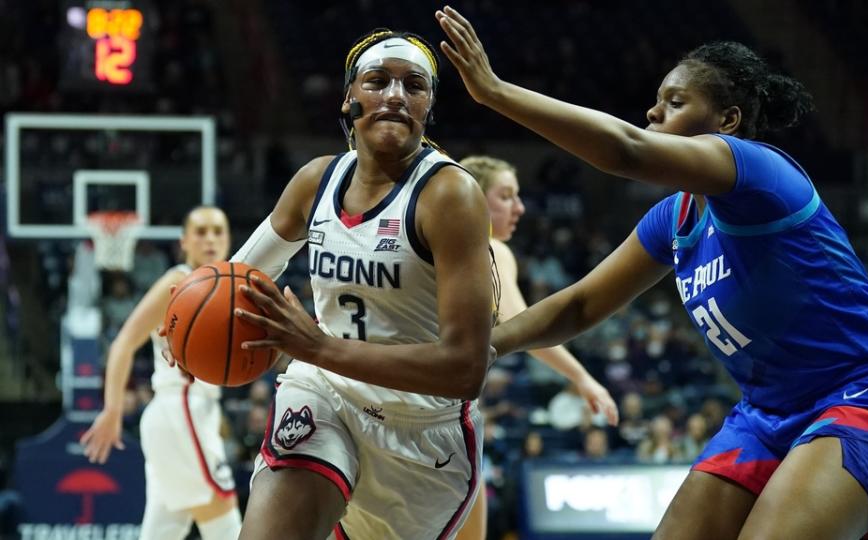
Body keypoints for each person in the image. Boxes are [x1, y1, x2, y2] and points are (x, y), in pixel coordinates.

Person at [436, 7, 868, 539]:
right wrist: (482, 347)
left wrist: (495, 93)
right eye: (654, 104)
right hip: (765, 415)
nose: (653, 115)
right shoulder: (672, 218)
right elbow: (581, 306)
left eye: (674, 103)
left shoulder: (758, 171)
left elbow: (625, 149)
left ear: (727, 122)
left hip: (867, 398)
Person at [192, 29, 494, 540]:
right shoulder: (316, 181)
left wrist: (319, 346)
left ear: (429, 106)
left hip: (421, 432)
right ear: (350, 99)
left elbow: (465, 370)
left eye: (413, 85)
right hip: (324, 393)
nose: (395, 95)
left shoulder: (451, 196)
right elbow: (237, 280)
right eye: (378, 81)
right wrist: (187, 327)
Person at [458, 155, 619, 539]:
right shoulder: (490, 247)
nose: (520, 207)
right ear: (474, 200)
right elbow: (521, 327)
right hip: (436, 416)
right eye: (507, 196)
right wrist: (582, 377)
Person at [81, 207, 241, 540]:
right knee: (226, 524)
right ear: (184, 241)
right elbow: (123, 342)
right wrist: (112, 410)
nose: (210, 239)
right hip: (180, 409)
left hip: (188, 413)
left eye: (217, 231)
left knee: (164, 529)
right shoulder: (178, 280)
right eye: (200, 231)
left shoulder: (228, 282)